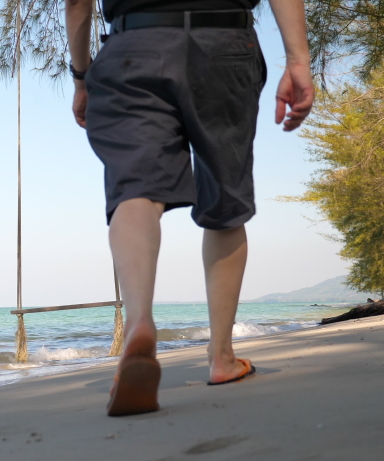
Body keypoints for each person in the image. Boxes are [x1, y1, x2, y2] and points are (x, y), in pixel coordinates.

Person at [64, 0, 314, 416]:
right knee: (225, 199)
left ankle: (140, 324)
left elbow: (76, 3)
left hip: (132, 45)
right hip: (224, 44)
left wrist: (80, 76)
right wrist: (298, 59)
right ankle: (221, 358)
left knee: (135, 189)